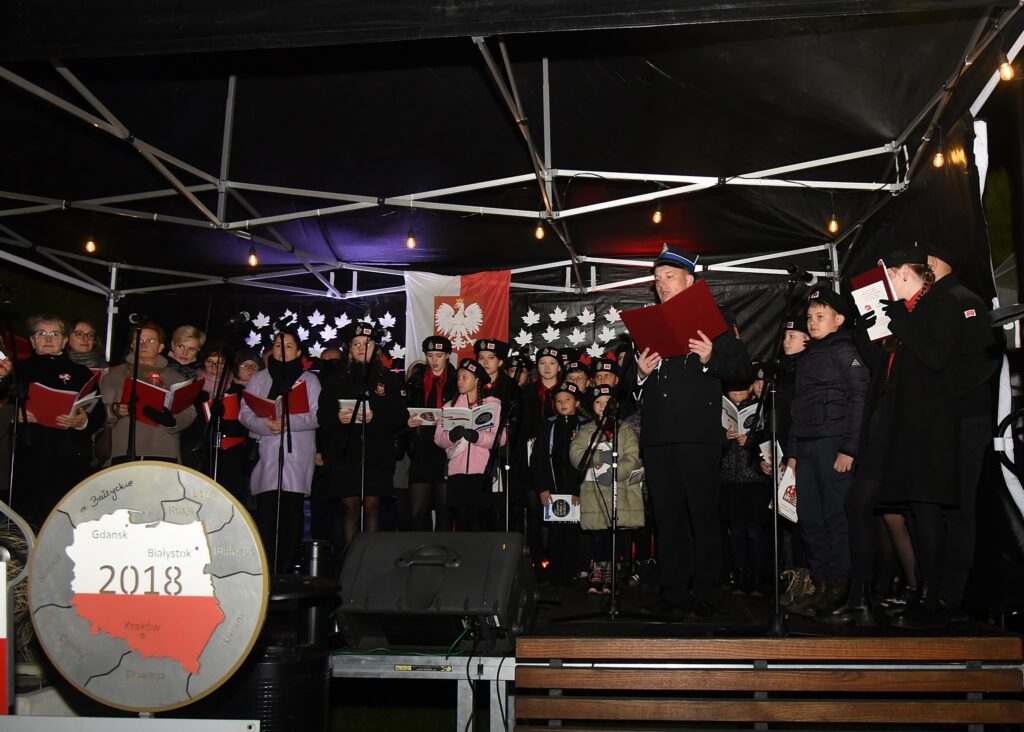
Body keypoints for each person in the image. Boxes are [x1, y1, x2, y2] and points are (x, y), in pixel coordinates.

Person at [634, 245, 752, 616]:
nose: (662, 284)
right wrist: (639, 373)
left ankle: (707, 594)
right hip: (658, 437)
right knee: (667, 518)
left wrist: (710, 357)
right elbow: (627, 386)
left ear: (690, 280)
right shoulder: (647, 322)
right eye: (657, 279)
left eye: (669, 277)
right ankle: (673, 594)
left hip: (698, 435)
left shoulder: (716, 317)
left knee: (703, 516)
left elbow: (742, 369)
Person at [874, 246, 962, 628]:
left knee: (927, 513)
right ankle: (921, 591)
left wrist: (902, 323)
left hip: (930, 430)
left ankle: (932, 599)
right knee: (912, 512)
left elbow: (937, 357)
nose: (889, 283)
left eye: (891, 275)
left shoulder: (941, 304)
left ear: (904, 274)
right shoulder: (911, 312)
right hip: (908, 428)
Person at [926, 242, 1002, 621]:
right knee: (940, 506)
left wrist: (947, 393)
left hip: (967, 419)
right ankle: (932, 589)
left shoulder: (963, 300)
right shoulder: (939, 301)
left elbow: (986, 359)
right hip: (946, 419)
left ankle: (952, 596)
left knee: (961, 508)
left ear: (935, 261)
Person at [784, 286, 868, 619]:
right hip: (806, 446)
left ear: (839, 319)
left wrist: (848, 448)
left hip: (832, 444)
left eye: (821, 316)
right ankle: (820, 585)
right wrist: (792, 452)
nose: (813, 322)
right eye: (810, 317)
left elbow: (859, 398)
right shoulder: (808, 356)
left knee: (835, 517)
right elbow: (799, 408)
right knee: (810, 518)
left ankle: (838, 587)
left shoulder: (844, 350)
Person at [317, 323, 407, 547]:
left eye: (366, 344)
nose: (361, 348)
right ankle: (349, 559)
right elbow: (323, 417)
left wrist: (376, 417)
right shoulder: (336, 380)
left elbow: (400, 416)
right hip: (346, 453)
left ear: (375, 347)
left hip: (376, 454)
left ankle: (369, 560)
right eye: (356, 344)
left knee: (372, 506)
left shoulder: (388, 379)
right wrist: (338, 418)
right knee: (349, 507)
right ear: (349, 348)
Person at [239, 328, 321, 573]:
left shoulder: (309, 380)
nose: (282, 350)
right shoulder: (258, 379)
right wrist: (265, 425)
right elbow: (245, 413)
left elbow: (317, 416)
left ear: (298, 352)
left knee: (292, 513)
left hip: (297, 451)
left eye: (288, 346)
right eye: (277, 345)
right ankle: (266, 569)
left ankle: (288, 568)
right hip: (266, 449)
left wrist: (288, 421)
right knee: (266, 512)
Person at [14, 314, 105, 527]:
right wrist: (13, 414)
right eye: (41, 333)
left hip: (68, 457)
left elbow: (98, 412)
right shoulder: (18, 371)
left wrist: (83, 421)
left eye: (54, 334)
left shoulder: (81, 373)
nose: (48, 338)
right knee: (26, 521)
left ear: (64, 341)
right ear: (32, 340)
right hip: (28, 457)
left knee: (65, 523)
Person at [571, 384, 643, 594]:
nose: (603, 406)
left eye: (607, 402)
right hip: (595, 492)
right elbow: (576, 455)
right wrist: (600, 456)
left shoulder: (625, 430)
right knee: (598, 535)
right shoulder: (586, 430)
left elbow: (633, 458)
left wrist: (615, 471)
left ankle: (614, 576)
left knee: (617, 534)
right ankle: (597, 574)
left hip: (620, 491)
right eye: (598, 403)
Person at [102, 322, 197, 463]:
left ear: (161, 347)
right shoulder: (114, 375)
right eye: (139, 340)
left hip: (163, 449)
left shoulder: (175, 378)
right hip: (123, 449)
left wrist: (171, 421)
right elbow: (98, 411)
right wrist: (113, 409)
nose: (143, 344)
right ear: (132, 345)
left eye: (150, 341)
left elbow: (189, 412)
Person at [434, 358, 504, 531]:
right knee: (461, 521)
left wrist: (477, 437)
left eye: (465, 377)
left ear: (477, 380)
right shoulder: (450, 406)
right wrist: (452, 435)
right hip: (456, 472)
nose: (460, 381)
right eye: (459, 377)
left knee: (479, 523)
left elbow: (501, 438)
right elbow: (438, 439)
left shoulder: (492, 405)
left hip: (482, 472)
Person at [530, 381, 586, 587]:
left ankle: (572, 573)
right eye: (559, 401)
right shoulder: (548, 425)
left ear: (577, 402)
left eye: (568, 400)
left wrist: (580, 490)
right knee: (554, 533)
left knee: (573, 534)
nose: (563, 404)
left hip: (576, 491)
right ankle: (555, 576)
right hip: (552, 491)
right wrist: (542, 489)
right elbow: (537, 460)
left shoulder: (585, 426)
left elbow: (587, 462)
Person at [720, 379, 772, 595]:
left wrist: (750, 441)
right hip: (729, 479)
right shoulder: (720, 409)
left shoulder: (762, 408)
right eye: (733, 390)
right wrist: (724, 437)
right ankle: (740, 575)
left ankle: (759, 576)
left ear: (750, 388)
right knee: (736, 530)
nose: (737, 393)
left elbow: (768, 440)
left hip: (754, 480)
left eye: (742, 389)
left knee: (754, 529)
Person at [405, 336, 458, 532]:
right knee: (417, 512)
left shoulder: (457, 381)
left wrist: (448, 421)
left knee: (445, 512)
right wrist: (407, 423)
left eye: (439, 355)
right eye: (430, 355)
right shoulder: (415, 381)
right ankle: (421, 549)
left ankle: (443, 549)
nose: (434, 360)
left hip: (447, 451)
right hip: (421, 449)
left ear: (448, 356)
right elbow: (402, 411)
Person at [212, 350, 261, 508]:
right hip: (231, 451)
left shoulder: (263, 392)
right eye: (245, 365)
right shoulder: (226, 393)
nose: (250, 369)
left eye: (254, 366)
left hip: (254, 449)